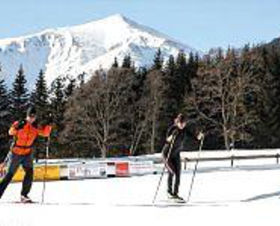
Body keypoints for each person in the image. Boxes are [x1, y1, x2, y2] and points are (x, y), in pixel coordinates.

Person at [0, 106, 52, 203]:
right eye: (30, 116)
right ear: (27, 116)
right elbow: (10, 132)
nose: (31, 118)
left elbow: (45, 134)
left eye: (33, 117)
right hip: (16, 152)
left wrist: (49, 124)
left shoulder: (35, 127)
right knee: (9, 175)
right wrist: (17, 126)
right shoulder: (20, 123)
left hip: (27, 153)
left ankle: (24, 195)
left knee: (29, 173)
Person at [162, 113, 204, 202]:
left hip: (176, 154)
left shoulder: (185, 130)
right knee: (172, 172)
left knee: (178, 174)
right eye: (180, 123)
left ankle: (175, 194)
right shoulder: (173, 129)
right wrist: (171, 137)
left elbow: (194, 137)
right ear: (177, 122)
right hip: (167, 154)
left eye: (183, 123)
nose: (182, 125)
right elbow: (166, 140)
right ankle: (169, 193)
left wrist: (199, 137)